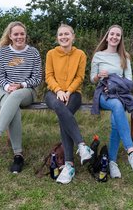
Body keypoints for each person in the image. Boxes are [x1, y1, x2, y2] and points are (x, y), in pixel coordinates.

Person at [0, 21, 42, 174]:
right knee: (14, 109)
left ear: (25, 35)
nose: (19, 37)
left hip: (27, 91)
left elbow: (37, 77)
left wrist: (20, 85)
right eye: (16, 34)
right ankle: (18, 156)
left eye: (22, 34)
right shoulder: (3, 52)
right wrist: (7, 87)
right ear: (10, 36)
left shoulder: (33, 53)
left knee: (17, 95)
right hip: (6, 91)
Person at [90, 24, 133, 179]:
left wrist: (115, 82)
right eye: (112, 34)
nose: (114, 37)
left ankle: (112, 163)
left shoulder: (125, 57)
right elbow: (92, 79)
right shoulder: (98, 55)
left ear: (121, 39)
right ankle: (131, 152)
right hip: (103, 93)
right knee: (116, 105)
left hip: (119, 94)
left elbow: (129, 81)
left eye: (118, 35)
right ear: (107, 37)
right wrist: (99, 76)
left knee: (116, 119)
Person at [45, 24, 94, 184]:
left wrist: (68, 91)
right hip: (53, 93)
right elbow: (49, 76)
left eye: (67, 34)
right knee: (60, 107)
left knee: (63, 115)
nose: (63, 37)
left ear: (73, 37)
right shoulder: (51, 54)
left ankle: (69, 165)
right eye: (60, 35)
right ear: (57, 38)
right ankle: (82, 145)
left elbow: (80, 77)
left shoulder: (80, 54)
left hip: (74, 94)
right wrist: (58, 90)